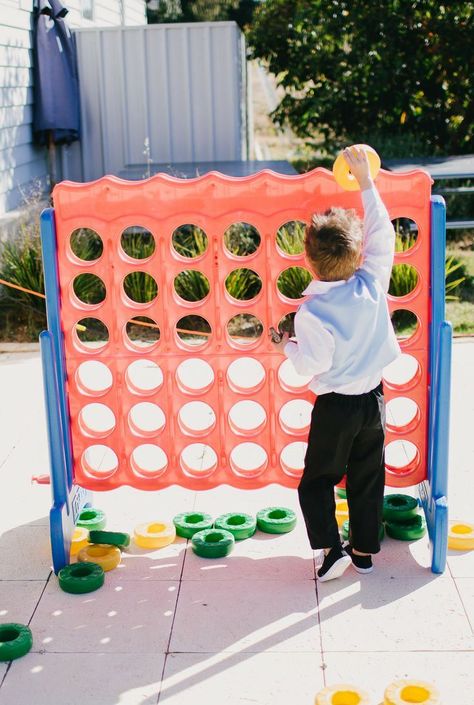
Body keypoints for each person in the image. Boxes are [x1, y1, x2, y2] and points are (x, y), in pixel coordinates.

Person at [270, 145, 400, 581]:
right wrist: (366, 183)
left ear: (308, 259)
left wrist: (284, 346)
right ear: (357, 253)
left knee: (318, 480)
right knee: (367, 476)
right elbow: (384, 235)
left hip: (336, 409)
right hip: (373, 402)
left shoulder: (312, 313)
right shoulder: (371, 284)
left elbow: (309, 365)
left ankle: (331, 550)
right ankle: (363, 551)